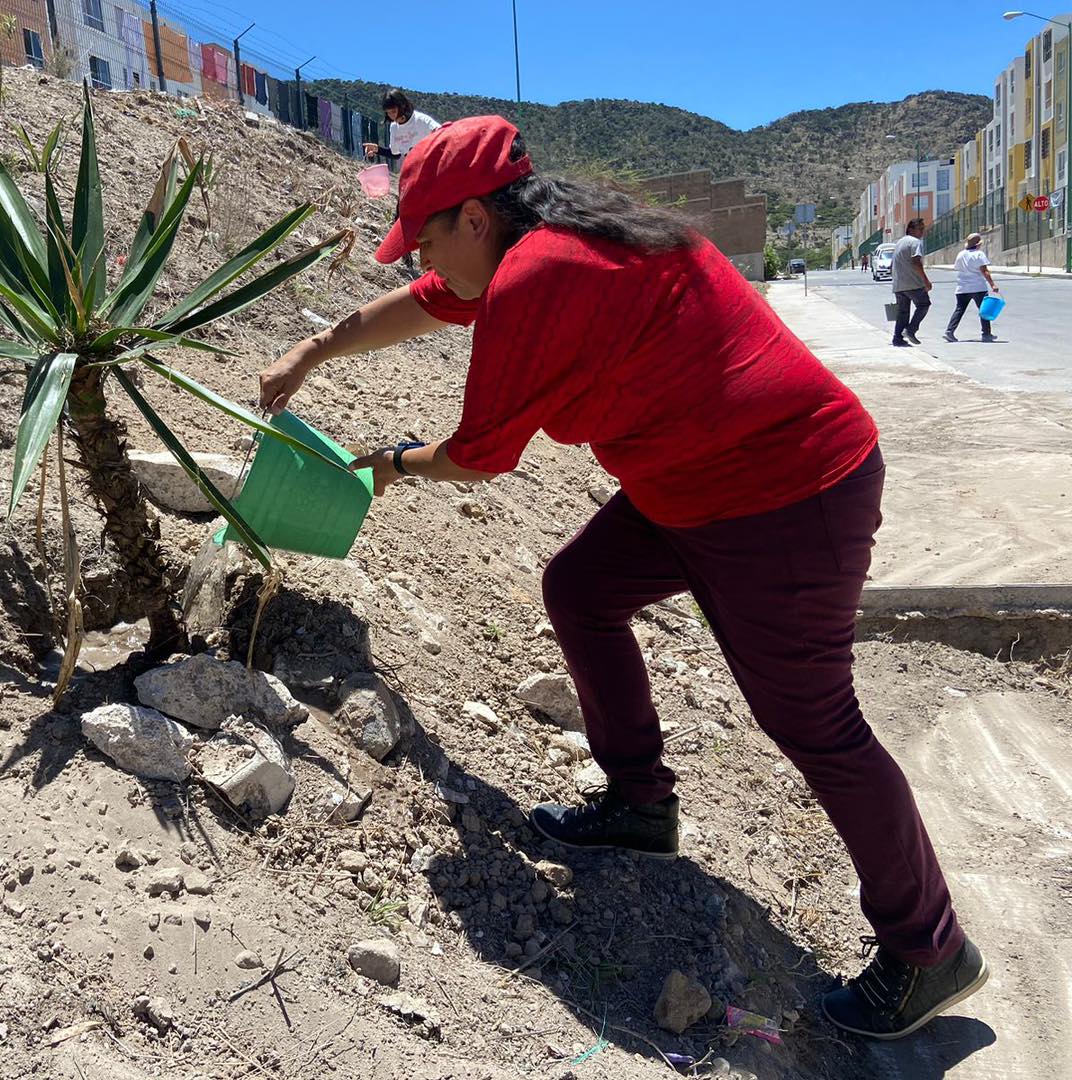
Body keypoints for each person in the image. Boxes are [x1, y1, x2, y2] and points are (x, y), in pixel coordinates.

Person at [259, 116, 987, 1041]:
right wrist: (313, 352)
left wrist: (390, 465)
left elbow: (481, 456)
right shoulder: (562, 237)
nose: (425, 261)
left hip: (788, 492)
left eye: (429, 236)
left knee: (816, 724)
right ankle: (639, 805)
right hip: (689, 484)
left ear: (477, 217)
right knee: (581, 590)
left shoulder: (541, 274)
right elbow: (429, 301)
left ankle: (930, 950)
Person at [362, 90, 442, 272]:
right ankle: (406, 260)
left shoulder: (421, 121)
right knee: (400, 217)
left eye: (393, 111)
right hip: (408, 177)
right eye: (388, 113)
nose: (391, 116)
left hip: (428, 177)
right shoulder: (394, 128)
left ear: (402, 106)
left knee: (429, 220)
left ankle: (434, 264)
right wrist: (378, 149)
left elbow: (440, 134)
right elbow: (395, 153)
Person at [943, 233, 999, 343]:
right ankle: (986, 334)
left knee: (959, 310)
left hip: (962, 287)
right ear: (978, 245)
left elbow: (958, 268)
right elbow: (984, 271)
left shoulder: (961, 254)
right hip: (978, 287)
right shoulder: (979, 254)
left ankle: (949, 331)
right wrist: (992, 284)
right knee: (984, 310)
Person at [891, 219, 933, 346]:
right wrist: (926, 281)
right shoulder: (915, 242)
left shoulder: (899, 242)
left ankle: (897, 338)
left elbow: (891, 265)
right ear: (911, 229)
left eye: (923, 229)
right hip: (913, 283)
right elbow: (916, 262)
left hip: (899, 284)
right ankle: (911, 330)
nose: (922, 232)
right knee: (924, 304)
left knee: (902, 312)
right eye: (920, 229)